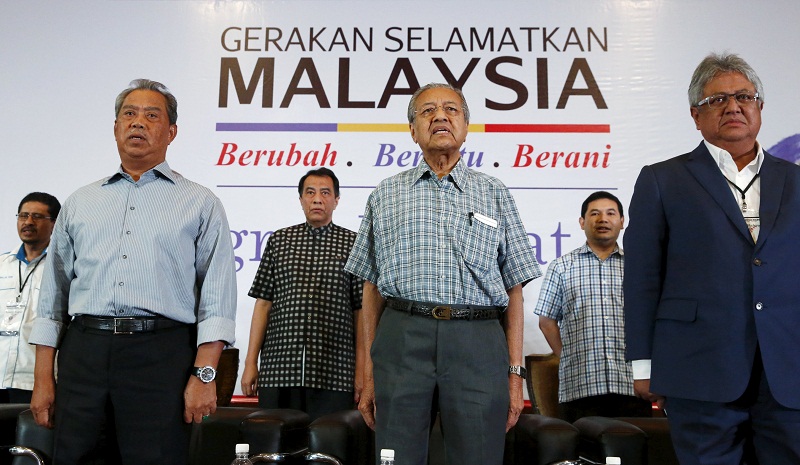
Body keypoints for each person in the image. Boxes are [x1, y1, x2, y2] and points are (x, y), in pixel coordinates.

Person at [29, 79, 237, 464]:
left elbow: (217, 300)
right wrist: (43, 378)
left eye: (151, 115)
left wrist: (204, 376)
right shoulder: (80, 202)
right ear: (115, 128)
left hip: (160, 356)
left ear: (171, 132)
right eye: (129, 114)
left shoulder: (200, 203)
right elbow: (52, 298)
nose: (138, 123)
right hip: (84, 354)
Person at [345, 83, 541, 465]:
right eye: (427, 111)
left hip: (478, 344)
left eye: (451, 110)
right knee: (395, 458)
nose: (439, 117)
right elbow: (371, 286)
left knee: (478, 458)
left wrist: (515, 375)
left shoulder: (494, 192)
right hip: (402, 339)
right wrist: (368, 371)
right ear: (413, 131)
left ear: (466, 126)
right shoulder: (385, 193)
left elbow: (514, 288)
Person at [624, 52, 800, 464]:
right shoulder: (661, 179)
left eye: (744, 96)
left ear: (759, 108)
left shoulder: (795, 181)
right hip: (696, 368)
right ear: (695, 115)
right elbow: (642, 278)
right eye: (717, 100)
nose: (733, 106)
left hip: (789, 368)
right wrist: (643, 364)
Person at [241, 167, 364, 420]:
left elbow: (360, 312)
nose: (317, 199)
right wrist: (251, 362)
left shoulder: (353, 244)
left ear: (336, 200)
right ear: (301, 199)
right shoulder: (280, 241)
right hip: (279, 368)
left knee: (329, 448)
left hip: (335, 370)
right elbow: (263, 303)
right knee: (276, 446)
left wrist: (361, 370)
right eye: (310, 192)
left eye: (325, 193)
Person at [534, 191, 650, 422]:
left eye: (610, 213)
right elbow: (546, 321)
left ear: (622, 221)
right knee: (584, 456)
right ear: (582, 222)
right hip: (580, 385)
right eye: (594, 214)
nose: (603, 219)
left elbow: (650, 321)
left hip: (632, 385)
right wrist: (567, 357)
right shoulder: (562, 266)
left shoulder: (639, 268)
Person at [0, 193, 60, 403]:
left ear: (54, 224)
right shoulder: (2, 264)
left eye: (37, 216)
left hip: (35, 381)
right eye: (23, 215)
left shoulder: (63, 267)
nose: (28, 222)